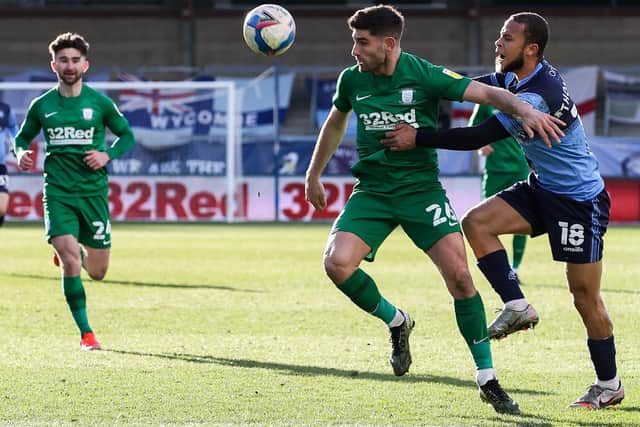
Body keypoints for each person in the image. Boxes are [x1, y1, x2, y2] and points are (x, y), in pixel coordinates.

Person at [305, 5, 563, 414]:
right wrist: (313, 173)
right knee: (337, 265)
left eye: (362, 42)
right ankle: (396, 321)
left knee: (461, 277)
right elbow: (335, 121)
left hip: (421, 190)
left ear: (389, 44)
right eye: (354, 41)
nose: (354, 50)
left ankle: (487, 379)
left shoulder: (423, 73)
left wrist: (526, 109)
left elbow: (488, 93)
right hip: (373, 190)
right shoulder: (351, 79)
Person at [380, 12, 623, 409]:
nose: (498, 43)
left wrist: (417, 137)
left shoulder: (533, 96)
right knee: (477, 223)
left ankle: (609, 384)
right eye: (499, 36)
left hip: (579, 201)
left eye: (506, 38)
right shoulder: (520, 75)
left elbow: (478, 136)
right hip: (543, 187)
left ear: (530, 49)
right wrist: (427, 77)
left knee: (584, 297)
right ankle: (517, 305)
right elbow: (477, 86)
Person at [13, 32, 135, 351]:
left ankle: (79, 253)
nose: (69, 65)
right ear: (54, 65)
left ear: (85, 65)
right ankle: (86, 334)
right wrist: (20, 153)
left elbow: (127, 136)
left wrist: (107, 154)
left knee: (98, 272)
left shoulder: (100, 103)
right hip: (58, 192)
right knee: (69, 263)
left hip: (93, 193)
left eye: (75, 60)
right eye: (64, 60)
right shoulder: (42, 105)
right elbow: (22, 138)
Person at [470, 104, 529, 277]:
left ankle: (515, 268)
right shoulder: (485, 99)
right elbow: (472, 126)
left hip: (520, 167)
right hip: (495, 169)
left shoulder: (524, 98)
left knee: (522, 219)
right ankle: (492, 268)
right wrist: (480, 144)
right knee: (481, 219)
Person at [0, 101, 19, 227]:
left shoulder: (5, 108)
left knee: (1, 209)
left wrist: (16, 144)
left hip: (0, 166)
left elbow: (13, 127)